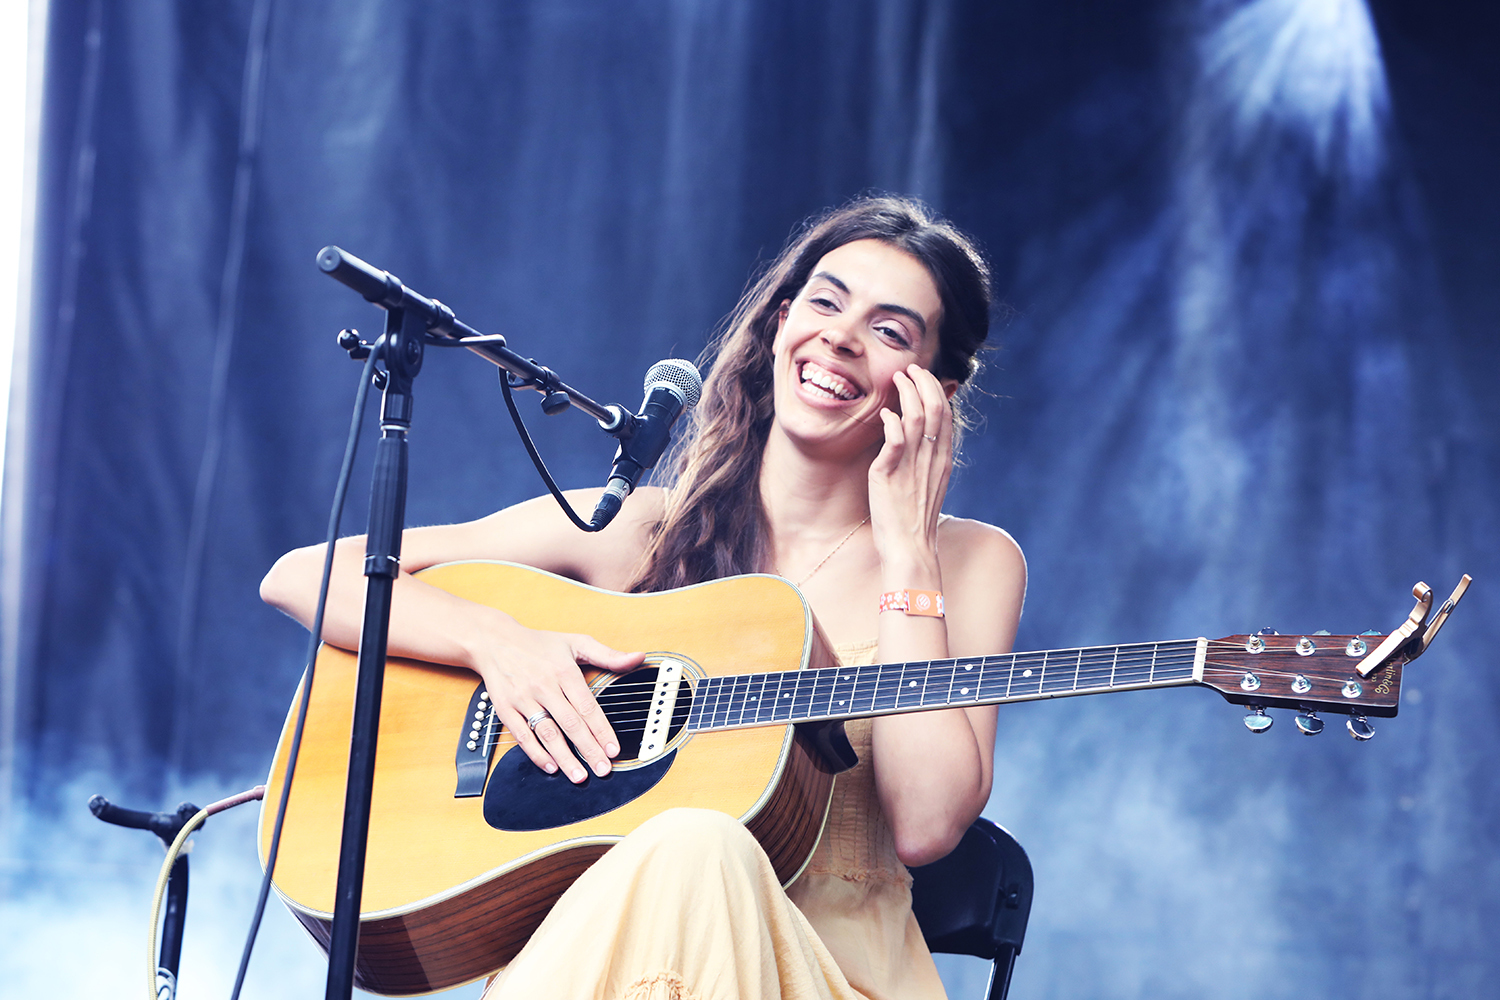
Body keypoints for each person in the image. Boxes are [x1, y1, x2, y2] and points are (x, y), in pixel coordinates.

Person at [260, 195, 1026, 1000]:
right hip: (605, 970)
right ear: (779, 321)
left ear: (931, 389)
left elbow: (927, 825)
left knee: (700, 846)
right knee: (690, 846)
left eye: (889, 330)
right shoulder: (642, 530)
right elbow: (304, 574)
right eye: (826, 301)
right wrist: (502, 645)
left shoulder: (969, 563)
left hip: (830, 978)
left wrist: (908, 553)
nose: (840, 335)